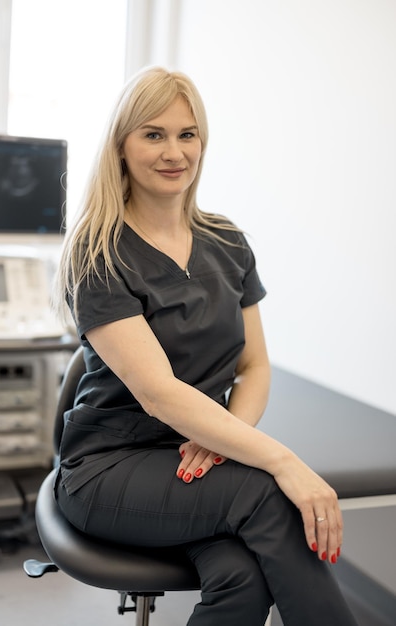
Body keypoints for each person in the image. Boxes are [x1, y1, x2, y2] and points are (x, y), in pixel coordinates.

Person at [53, 66, 358, 626]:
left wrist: (225, 442)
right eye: (154, 134)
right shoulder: (98, 253)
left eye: (187, 134)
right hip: (109, 468)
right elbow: (160, 394)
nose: (174, 152)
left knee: (241, 581)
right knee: (270, 492)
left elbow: (254, 365)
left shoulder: (227, 241)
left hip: (199, 462)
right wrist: (281, 461)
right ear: (121, 146)